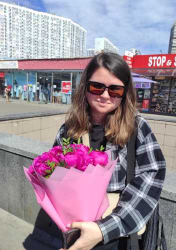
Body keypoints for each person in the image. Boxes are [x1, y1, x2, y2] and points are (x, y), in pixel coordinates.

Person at [53, 53, 166, 250]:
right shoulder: (68, 130)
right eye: (97, 87)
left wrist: (104, 229)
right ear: (85, 87)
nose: (105, 95)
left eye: (115, 90)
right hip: (77, 232)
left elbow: (152, 176)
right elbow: (54, 176)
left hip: (122, 235)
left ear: (125, 93)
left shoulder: (136, 128)